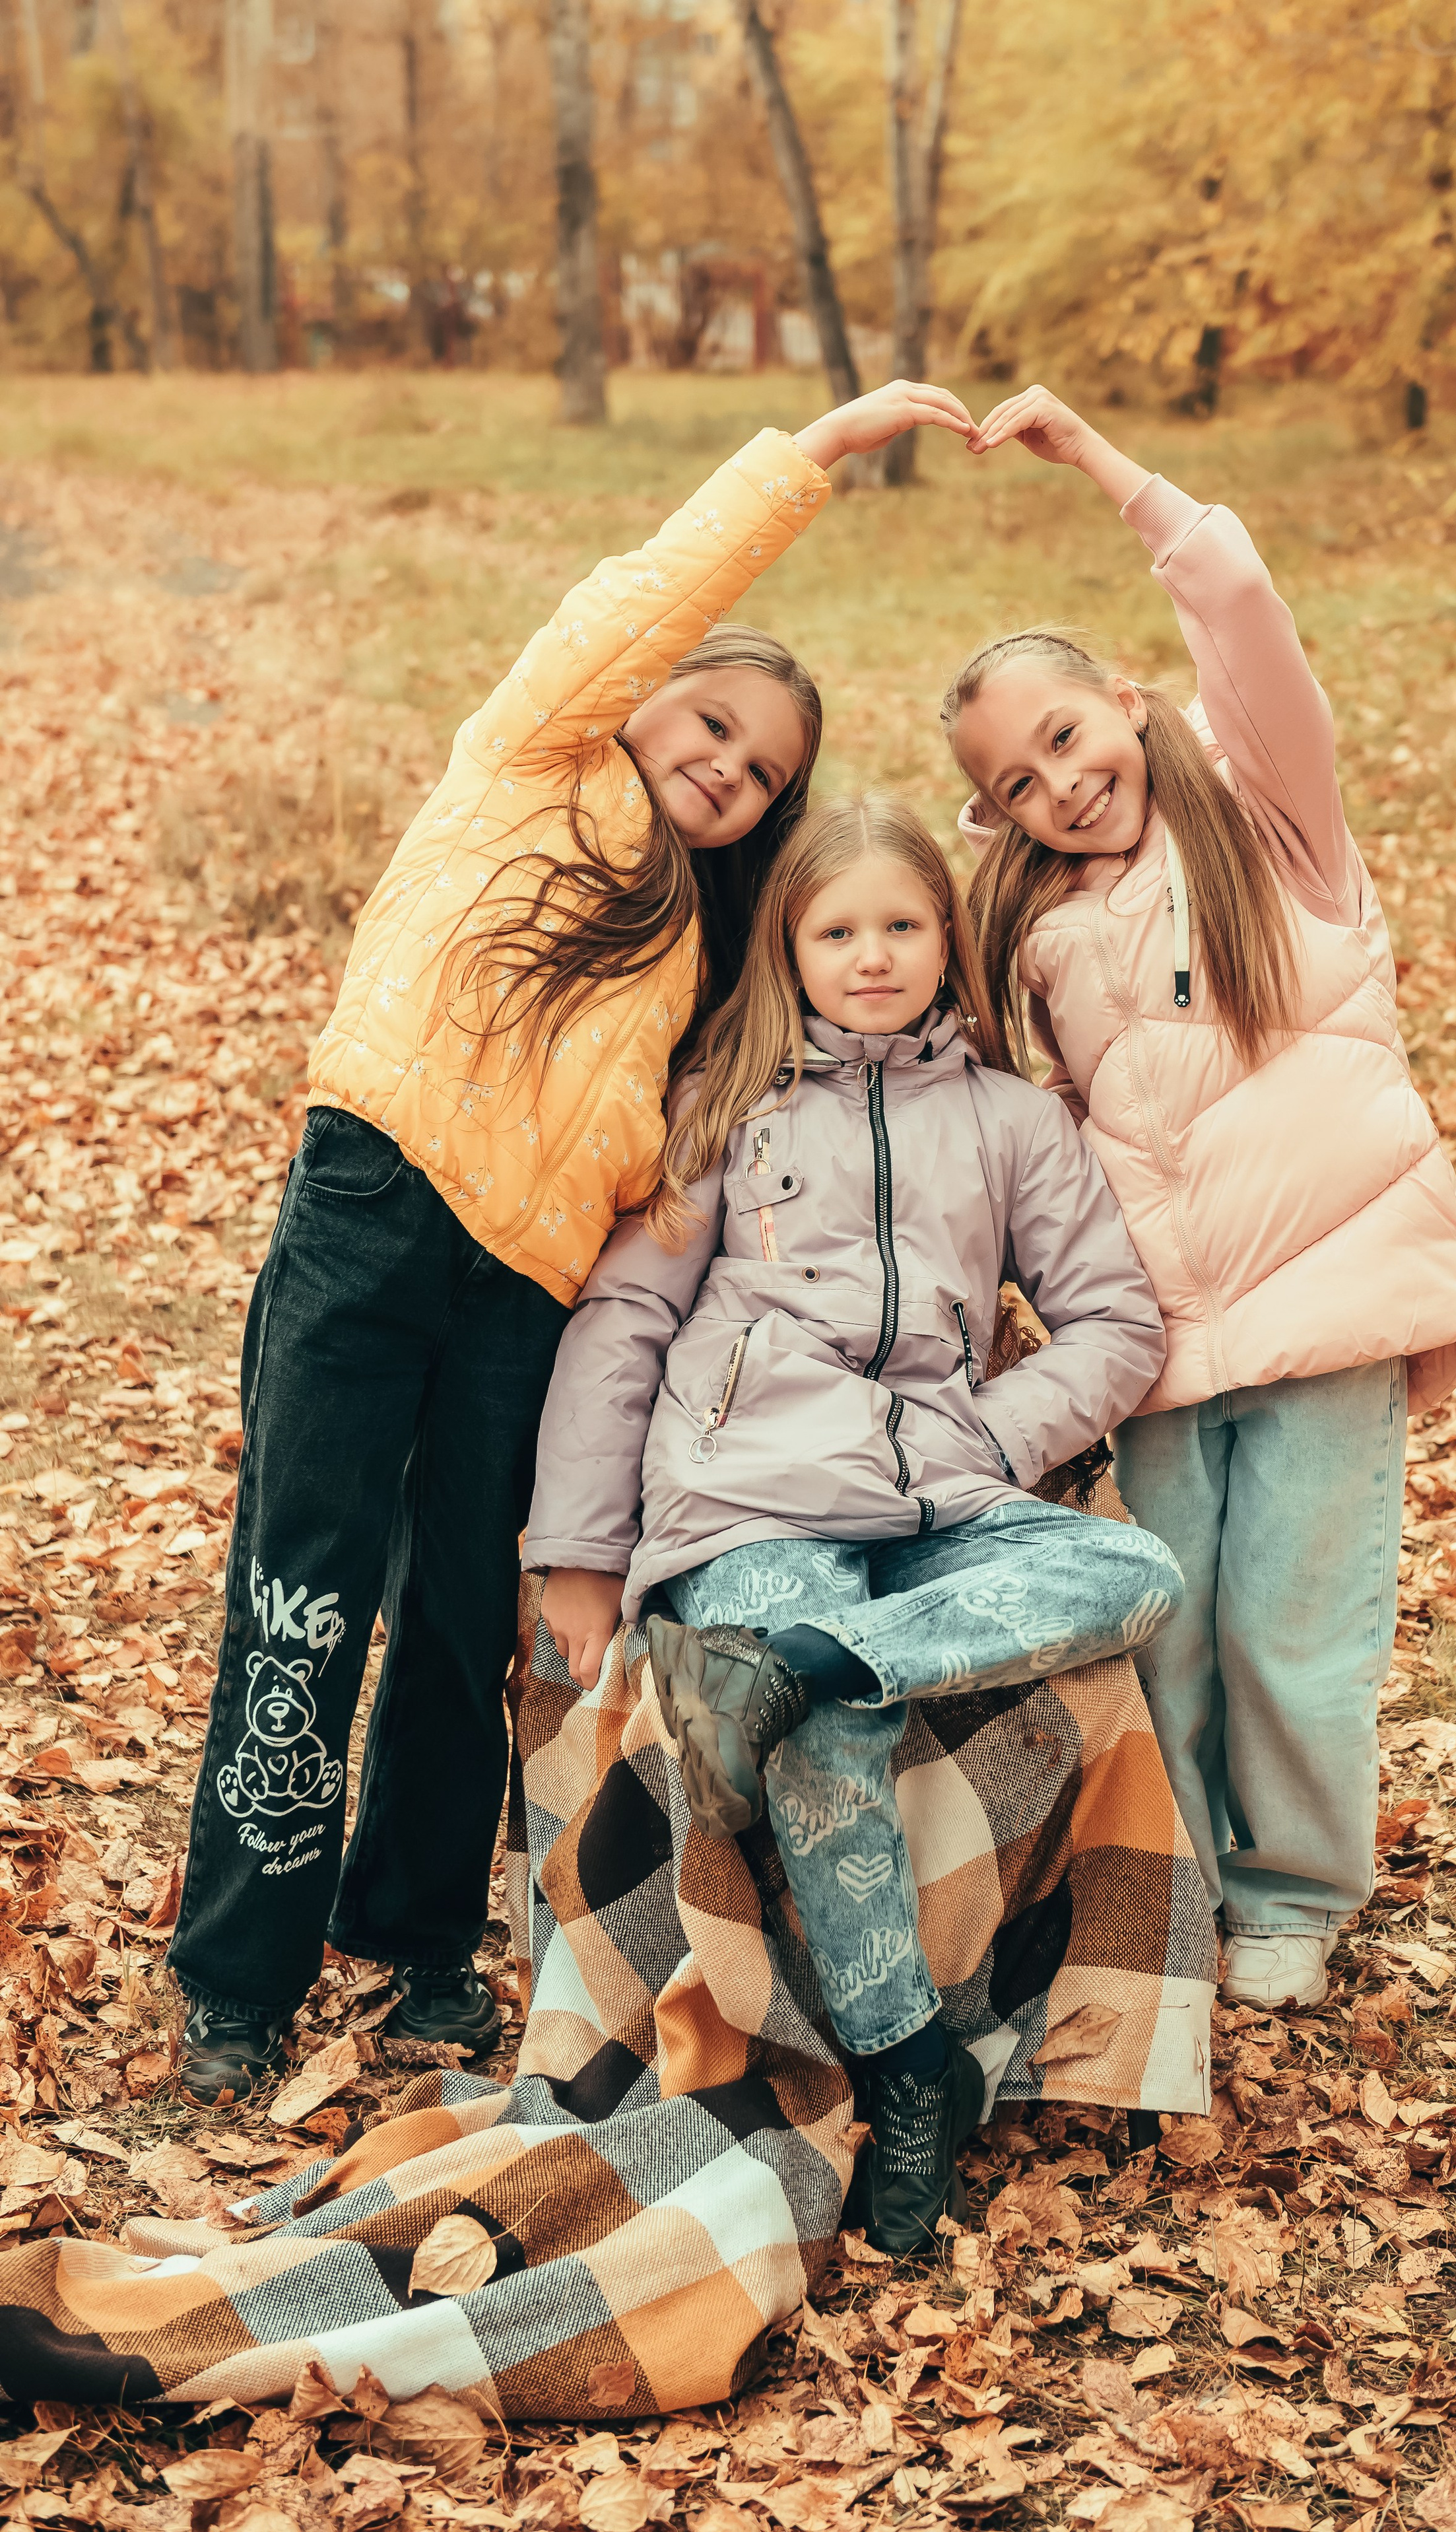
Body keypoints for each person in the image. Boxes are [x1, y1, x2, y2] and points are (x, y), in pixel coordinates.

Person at [169, 382, 979, 2106]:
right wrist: (816, 456)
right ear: (650, 693)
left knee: (464, 1617)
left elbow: (794, 1047)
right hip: (375, 1208)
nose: (727, 766)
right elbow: (644, 592)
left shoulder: (703, 945)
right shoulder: (534, 759)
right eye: (714, 722)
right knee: (305, 1595)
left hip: (523, 1294)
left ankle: (412, 1941)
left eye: (761, 771)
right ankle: (238, 1971)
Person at [529, 794, 1182, 2251]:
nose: (871, 956)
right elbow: (625, 1320)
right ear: (790, 946)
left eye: (901, 925)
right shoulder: (725, 1106)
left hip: (937, 1483)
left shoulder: (1013, 1121)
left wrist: (989, 1436)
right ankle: (906, 2065)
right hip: (748, 1492)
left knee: (1132, 1568)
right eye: (837, 931)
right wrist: (578, 1551)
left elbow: (1114, 1324)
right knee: (829, 1739)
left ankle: (805, 1661)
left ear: (948, 937)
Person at [942, 385, 1456, 2013]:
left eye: (1066, 735)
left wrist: (1098, 463)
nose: (1058, 784)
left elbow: (1241, 610)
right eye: (1017, 780)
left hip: (1328, 1308)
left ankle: (1291, 1895)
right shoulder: (1031, 936)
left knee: (1294, 1630)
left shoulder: (1270, 819)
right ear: (996, 814)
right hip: (1166, 1345)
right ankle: (1174, 1883)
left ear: (1126, 702)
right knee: (1170, 1632)